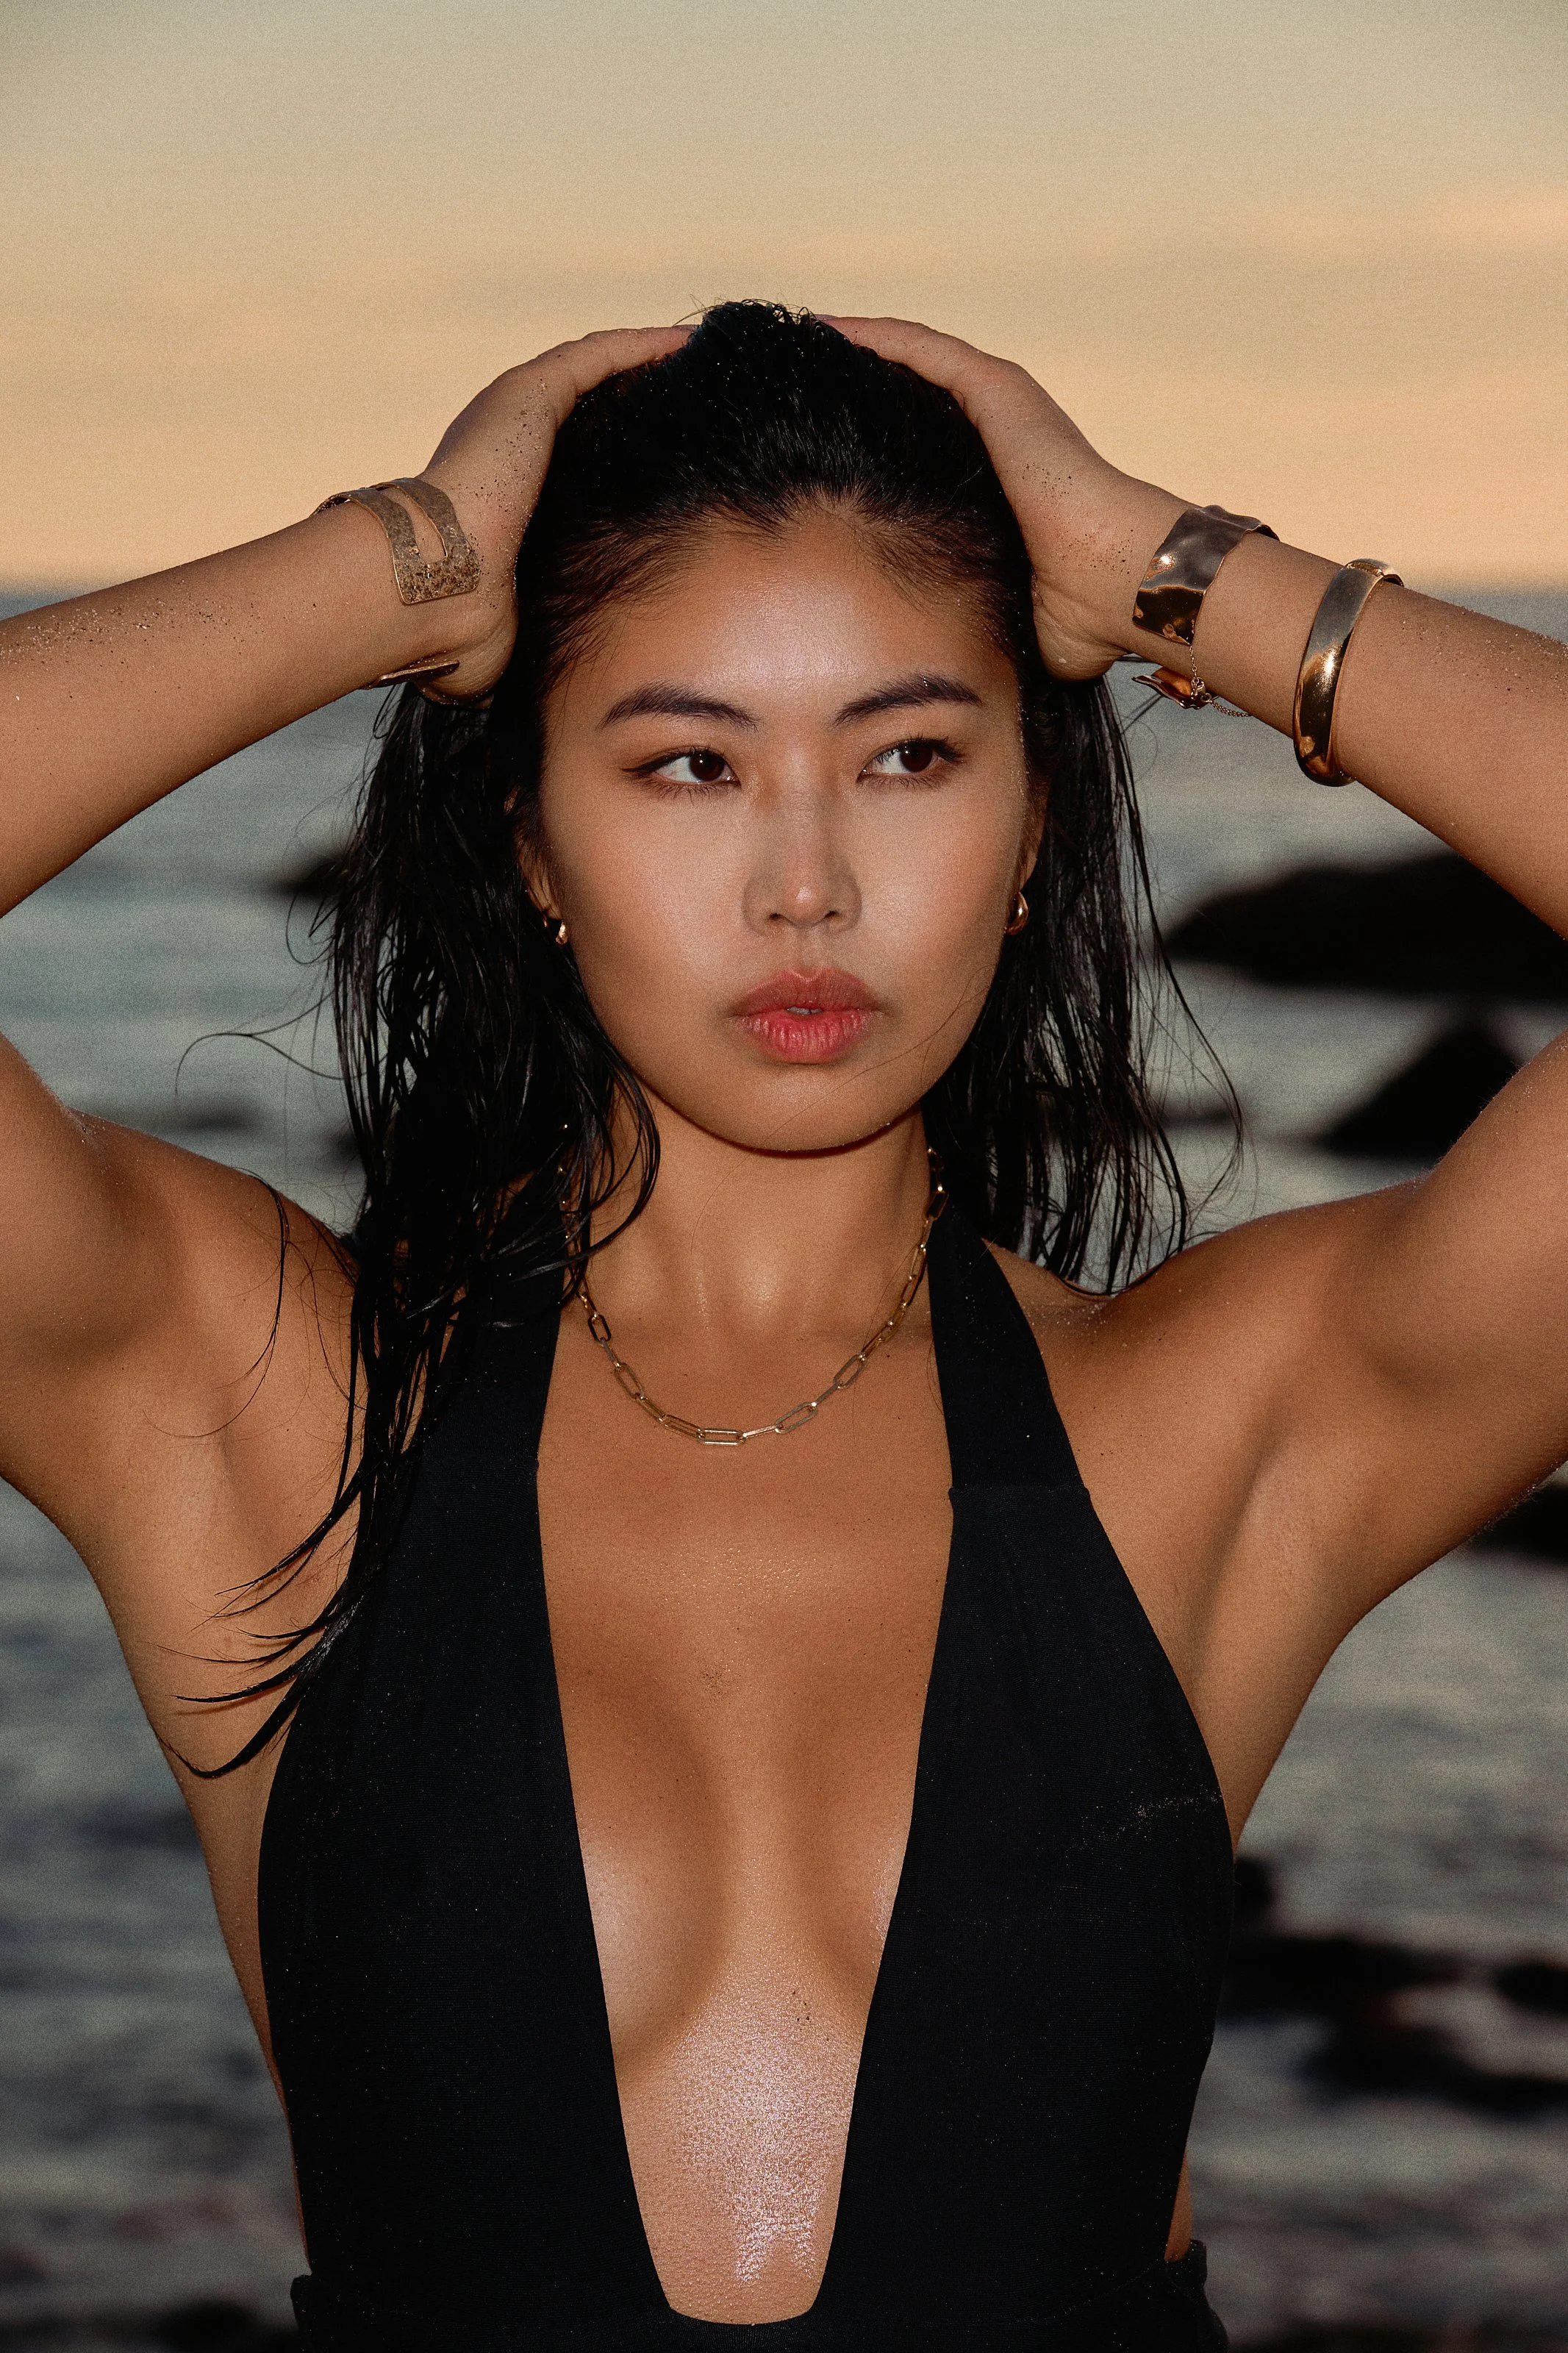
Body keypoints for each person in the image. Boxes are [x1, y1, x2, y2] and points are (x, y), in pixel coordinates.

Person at [1, 301, 1564, 2352]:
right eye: (685, 764)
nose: (804, 882)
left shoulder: (1214, 1427)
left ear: (1028, 839)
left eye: (910, 754)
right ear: (528, 841)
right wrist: (396, 567)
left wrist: (1186, 577)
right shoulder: (256, 1408)